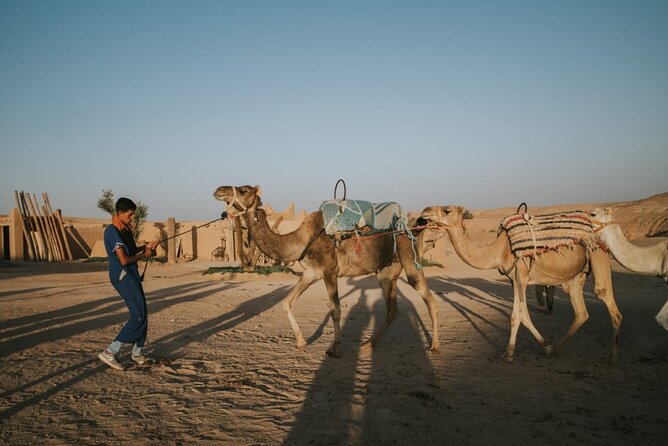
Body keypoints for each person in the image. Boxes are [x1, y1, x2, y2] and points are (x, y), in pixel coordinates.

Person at [98, 197, 158, 370]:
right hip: (123, 275)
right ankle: (111, 352)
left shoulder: (125, 229)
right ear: (119, 213)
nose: (132, 218)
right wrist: (144, 255)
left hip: (131, 273)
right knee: (137, 315)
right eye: (130, 214)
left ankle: (137, 353)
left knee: (143, 312)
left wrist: (146, 247)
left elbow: (130, 251)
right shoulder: (112, 231)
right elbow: (123, 259)